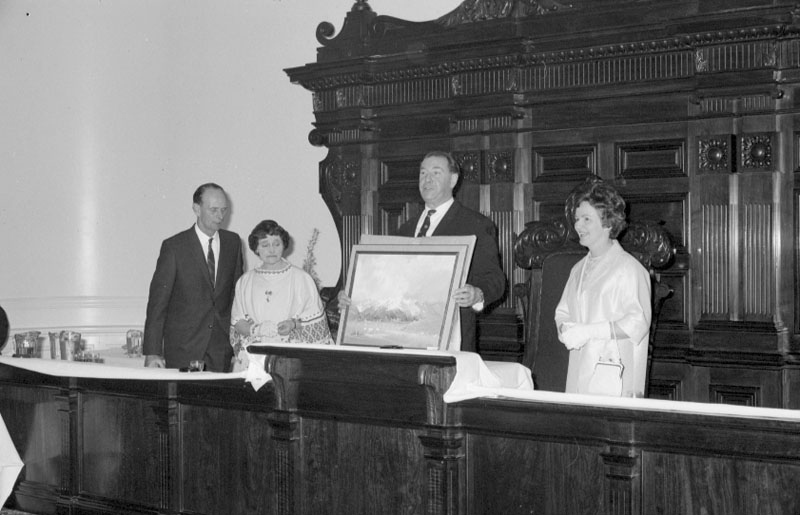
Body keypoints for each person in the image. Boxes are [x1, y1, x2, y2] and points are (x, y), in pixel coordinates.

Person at [397, 150, 506, 353]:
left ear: (453, 179)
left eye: (436, 173)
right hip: (405, 339)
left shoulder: (475, 225)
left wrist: (477, 293)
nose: (427, 179)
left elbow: (495, 279)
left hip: (451, 341)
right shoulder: (405, 229)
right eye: (423, 173)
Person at [555, 177, 651, 397]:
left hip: (615, 371)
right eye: (577, 219)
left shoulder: (629, 268)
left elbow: (638, 322)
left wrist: (589, 331)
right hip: (580, 367)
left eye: (586, 219)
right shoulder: (578, 269)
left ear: (607, 222)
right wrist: (566, 330)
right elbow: (562, 312)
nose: (578, 225)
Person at [143, 183, 244, 372]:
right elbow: (157, 304)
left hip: (221, 348)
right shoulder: (174, 247)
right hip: (183, 348)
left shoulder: (233, 243)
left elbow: (237, 295)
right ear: (196, 209)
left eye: (224, 210)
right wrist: (153, 352)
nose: (220, 216)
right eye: (213, 210)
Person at [230, 220, 333, 370]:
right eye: (265, 245)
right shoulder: (245, 281)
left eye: (276, 244)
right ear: (256, 248)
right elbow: (237, 322)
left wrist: (293, 325)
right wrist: (256, 330)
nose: (271, 250)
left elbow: (317, 325)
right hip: (254, 360)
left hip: (291, 360)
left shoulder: (301, 279)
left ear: (284, 245)